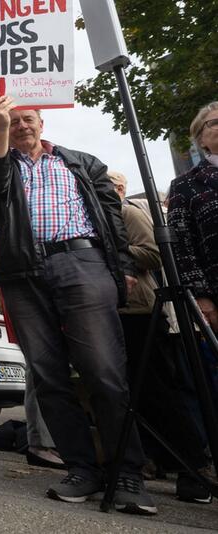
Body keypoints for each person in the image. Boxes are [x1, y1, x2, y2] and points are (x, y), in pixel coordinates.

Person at [0, 94, 155, 515]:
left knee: (104, 371)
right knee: (48, 375)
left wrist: (123, 267)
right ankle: (82, 468)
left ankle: (127, 472)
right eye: (13, 121)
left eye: (27, 119)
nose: (21, 126)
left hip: (83, 262)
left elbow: (112, 218)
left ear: (42, 122)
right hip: (24, 273)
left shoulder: (81, 162)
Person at [112, 170, 215, 503]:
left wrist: (112, 252)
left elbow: (155, 252)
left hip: (140, 311)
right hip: (108, 313)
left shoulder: (125, 212)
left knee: (160, 390)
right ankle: (161, 460)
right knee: (131, 393)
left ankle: (195, 467)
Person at [168, 101, 218, 334]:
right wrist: (201, 296)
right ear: (201, 139)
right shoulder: (185, 185)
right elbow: (182, 245)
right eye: (215, 122)